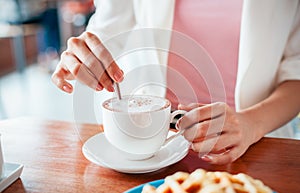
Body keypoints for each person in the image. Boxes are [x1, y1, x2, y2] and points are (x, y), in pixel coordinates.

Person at [52, 0, 300, 165]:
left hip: (254, 145)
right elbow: (108, 31)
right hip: (153, 147)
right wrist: (85, 55)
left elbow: (296, 71)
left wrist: (250, 124)